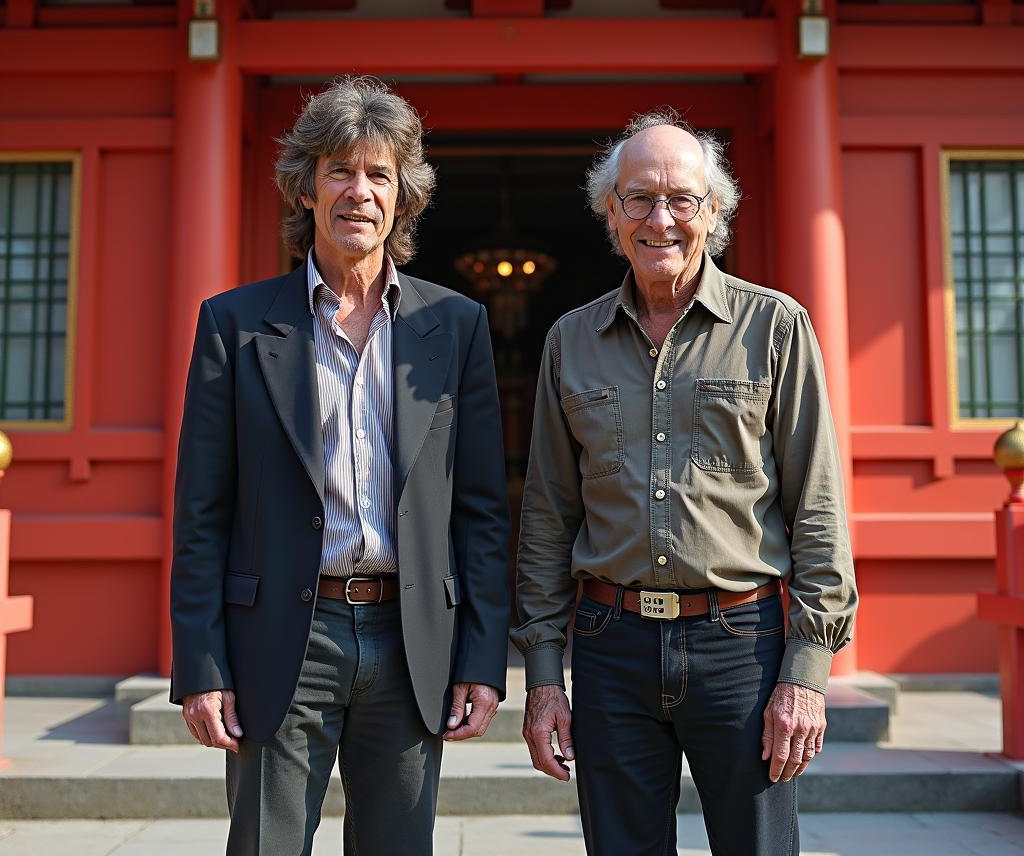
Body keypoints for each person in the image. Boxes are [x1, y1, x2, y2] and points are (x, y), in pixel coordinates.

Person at [170, 76, 510, 855]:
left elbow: (483, 511)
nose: (360, 191)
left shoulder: (454, 327)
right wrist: (200, 662)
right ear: (307, 190)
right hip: (280, 635)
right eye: (339, 171)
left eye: (380, 174)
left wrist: (483, 656)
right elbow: (201, 509)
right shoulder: (235, 323)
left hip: (410, 637)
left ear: (404, 197)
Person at [512, 108, 857, 856]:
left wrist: (806, 671)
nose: (659, 218)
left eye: (681, 199)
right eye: (638, 198)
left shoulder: (776, 327)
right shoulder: (570, 341)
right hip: (610, 645)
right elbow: (547, 514)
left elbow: (818, 508)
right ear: (611, 212)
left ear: (715, 211)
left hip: (744, 642)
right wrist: (544, 676)